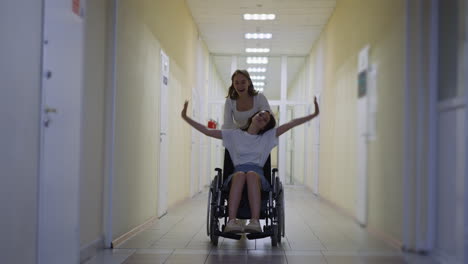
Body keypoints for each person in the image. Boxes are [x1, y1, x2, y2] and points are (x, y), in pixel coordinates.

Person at [181, 97, 320, 234]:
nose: (261, 118)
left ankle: (255, 222)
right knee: (241, 175)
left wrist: (313, 114)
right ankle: (231, 221)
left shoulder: (268, 137)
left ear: (266, 126)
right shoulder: (233, 135)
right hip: (237, 174)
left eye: (265, 119)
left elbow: (292, 123)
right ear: (253, 116)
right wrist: (185, 117)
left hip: (258, 175)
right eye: (260, 115)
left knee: (251, 175)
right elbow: (207, 131)